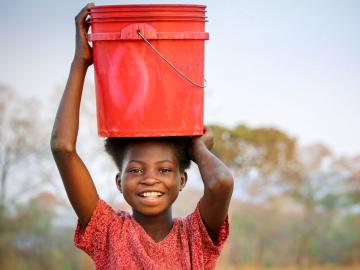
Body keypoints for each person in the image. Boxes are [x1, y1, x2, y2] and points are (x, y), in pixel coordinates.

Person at [50, 3, 234, 269]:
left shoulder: (195, 237)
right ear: (118, 180)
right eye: (135, 170)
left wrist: (196, 147)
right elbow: (62, 148)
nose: (149, 178)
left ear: (181, 180)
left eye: (164, 170)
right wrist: (81, 60)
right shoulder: (108, 233)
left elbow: (222, 183)